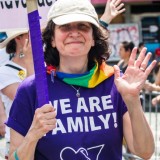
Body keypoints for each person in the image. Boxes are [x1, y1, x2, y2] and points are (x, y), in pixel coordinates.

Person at [6, 0, 156, 159]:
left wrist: (132, 101)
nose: (75, 32)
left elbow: (144, 152)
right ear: (52, 39)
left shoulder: (115, 84)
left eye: (83, 26)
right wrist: (33, 134)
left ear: (93, 38)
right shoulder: (31, 89)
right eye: (65, 27)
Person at [0, 28, 34, 159]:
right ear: (18, 38)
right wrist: (29, 62)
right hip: (19, 141)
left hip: (46, 139)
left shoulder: (45, 64)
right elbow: (29, 99)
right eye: (29, 34)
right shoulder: (4, 72)